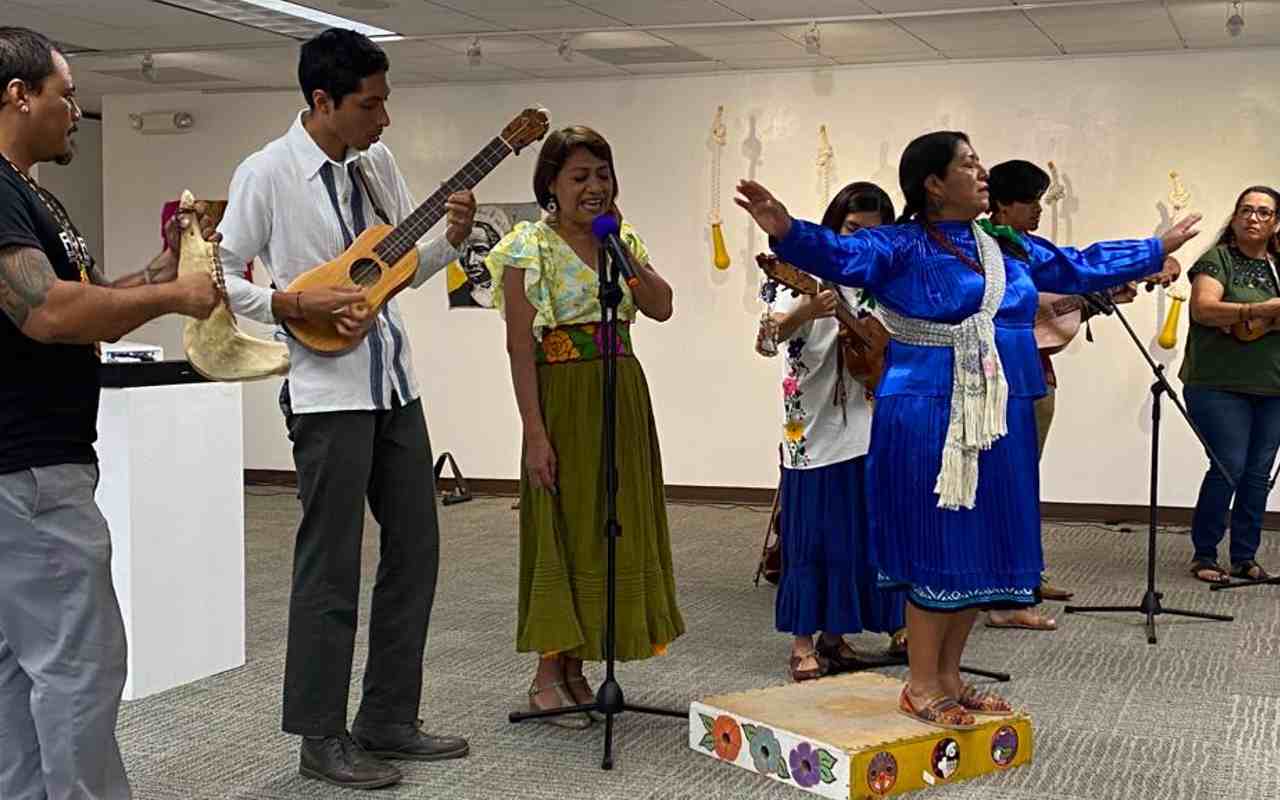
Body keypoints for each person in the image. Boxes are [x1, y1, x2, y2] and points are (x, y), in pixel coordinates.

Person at [736, 130, 1194, 729]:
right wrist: (786, 228)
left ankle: (951, 678)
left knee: (979, 546)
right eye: (969, 163)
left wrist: (1150, 247)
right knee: (939, 543)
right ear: (933, 183)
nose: (984, 173)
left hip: (998, 409)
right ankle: (921, 684)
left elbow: (1076, 265)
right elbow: (840, 255)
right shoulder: (898, 245)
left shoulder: (1003, 244)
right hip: (928, 411)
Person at [217, 28, 477, 789]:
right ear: (321, 101)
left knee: (417, 551)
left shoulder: (377, 167)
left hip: (395, 384)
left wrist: (452, 242)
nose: (384, 119)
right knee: (329, 568)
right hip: (327, 395)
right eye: (371, 104)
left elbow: (400, 268)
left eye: (386, 101)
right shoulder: (266, 174)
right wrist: (293, 299)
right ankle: (319, 736)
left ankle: (389, 718)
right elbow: (219, 279)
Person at [0, 26, 220, 800]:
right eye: (65, 95)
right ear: (18, 96)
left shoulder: (28, 191)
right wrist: (176, 296)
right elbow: (49, 313)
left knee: (23, 675)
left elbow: (80, 299)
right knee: (78, 669)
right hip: (29, 474)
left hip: (30, 469)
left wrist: (155, 272)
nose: (75, 110)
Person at [486, 125, 684, 728]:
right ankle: (548, 675)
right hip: (562, 397)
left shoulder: (620, 241)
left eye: (602, 174)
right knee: (567, 526)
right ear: (551, 184)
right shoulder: (528, 248)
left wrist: (621, 247)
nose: (594, 187)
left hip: (620, 393)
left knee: (610, 528)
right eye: (579, 176)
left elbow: (661, 305)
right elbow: (521, 349)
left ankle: (577, 670)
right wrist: (534, 434)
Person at [982, 159, 1145, 631]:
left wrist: (1093, 302)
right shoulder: (986, 249)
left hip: (1037, 373)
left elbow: (1049, 321)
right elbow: (1010, 315)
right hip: (997, 379)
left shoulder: (1033, 248)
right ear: (1001, 203)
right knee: (1004, 483)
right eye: (1029, 200)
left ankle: (1025, 576)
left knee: (1026, 479)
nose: (1037, 210)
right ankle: (1001, 587)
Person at [762, 182, 906, 681]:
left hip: (867, 422)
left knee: (855, 534)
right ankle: (802, 644)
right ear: (833, 227)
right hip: (813, 426)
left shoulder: (876, 281)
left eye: (874, 232)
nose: (862, 242)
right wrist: (806, 310)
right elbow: (765, 339)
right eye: (851, 231)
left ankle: (835, 638)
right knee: (813, 534)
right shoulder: (801, 274)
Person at [1180, 185, 1280, 585]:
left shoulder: (1278, 266)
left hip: (1273, 387)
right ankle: (1204, 554)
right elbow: (1204, 310)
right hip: (1217, 384)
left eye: (1263, 212)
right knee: (1229, 465)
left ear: (1275, 223)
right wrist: (1261, 310)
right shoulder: (1217, 259)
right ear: (1235, 216)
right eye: (1246, 210)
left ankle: (1244, 556)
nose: (1253, 218)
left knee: (1258, 472)